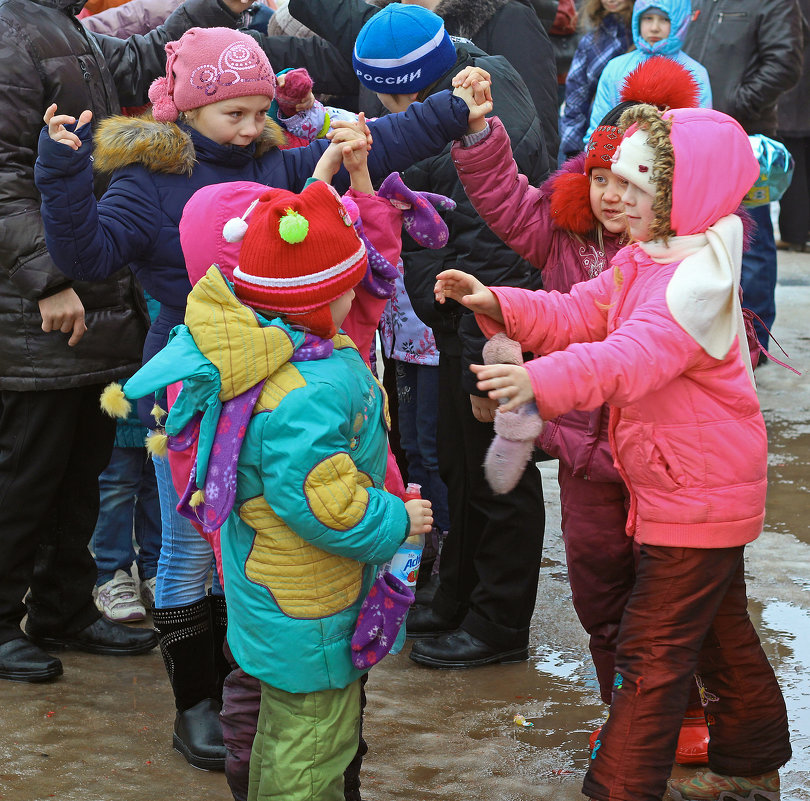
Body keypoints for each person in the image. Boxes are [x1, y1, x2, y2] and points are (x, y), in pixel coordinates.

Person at [33, 22, 483, 767]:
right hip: (193, 383)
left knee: (256, 535)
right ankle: (194, 701)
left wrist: (450, 111)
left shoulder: (276, 163)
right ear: (184, 107)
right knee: (188, 545)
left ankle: (249, 680)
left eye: (257, 111)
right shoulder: (147, 182)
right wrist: (61, 175)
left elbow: (374, 147)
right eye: (231, 114)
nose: (248, 130)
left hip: (281, 379)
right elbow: (86, 255)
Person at [435, 103, 792, 801]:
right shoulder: (652, 255)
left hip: (698, 491)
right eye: (617, 180)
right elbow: (581, 310)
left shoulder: (695, 282)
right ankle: (751, 755)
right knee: (719, 628)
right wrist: (502, 302)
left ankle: (620, 786)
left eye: (637, 184)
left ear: (681, 192)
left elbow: (626, 358)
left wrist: (535, 379)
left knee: (651, 653)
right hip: (683, 484)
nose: (617, 197)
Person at [107, 165, 436, 799]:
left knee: (279, 739)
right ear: (321, 298)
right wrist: (398, 521)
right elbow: (321, 501)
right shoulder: (306, 387)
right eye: (347, 287)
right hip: (309, 600)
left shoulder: (261, 348)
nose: (356, 298)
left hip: (270, 589)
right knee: (313, 747)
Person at [451, 55, 718, 765]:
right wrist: (480, 134)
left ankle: (686, 709)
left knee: (667, 595)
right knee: (600, 592)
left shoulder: (677, 256)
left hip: (659, 456)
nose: (610, 195)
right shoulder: (562, 235)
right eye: (599, 178)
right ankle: (624, 712)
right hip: (585, 459)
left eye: (628, 181)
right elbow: (507, 200)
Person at [0, 0, 255, 686]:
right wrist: (49, 279)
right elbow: (2, 174)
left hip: (95, 300)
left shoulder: (57, 25)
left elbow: (137, 61)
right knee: (24, 473)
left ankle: (60, 607)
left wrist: (213, 12)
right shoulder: (8, 32)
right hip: (37, 308)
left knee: (77, 472)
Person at [348, 4, 547, 669]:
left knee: (500, 465)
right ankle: (458, 589)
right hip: (452, 312)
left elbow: (493, 235)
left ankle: (500, 619)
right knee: (460, 463)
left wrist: (472, 323)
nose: (394, 106)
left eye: (401, 94)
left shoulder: (483, 102)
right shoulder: (448, 88)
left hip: (494, 316)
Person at [684, 0, 804, 352]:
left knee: (749, 239)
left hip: (742, 135)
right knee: (694, 239)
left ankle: (754, 344)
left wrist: (734, 106)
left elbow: (785, 63)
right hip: (690, 134)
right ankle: (706, 339)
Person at [586, 0, 712, 143]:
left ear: (680, 21)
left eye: (665, 19)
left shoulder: (696, 73)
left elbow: (700, 131)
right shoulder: (616, 68)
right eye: (648, 18)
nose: (654, 28)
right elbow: (600, 125)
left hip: (673, 159)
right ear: (637, 20)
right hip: (619, 158)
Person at [559, 0, 632, 161]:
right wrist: (573, 148)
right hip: (595, 135)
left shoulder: (651, 37)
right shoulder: (593, 39)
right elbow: (576, 94)